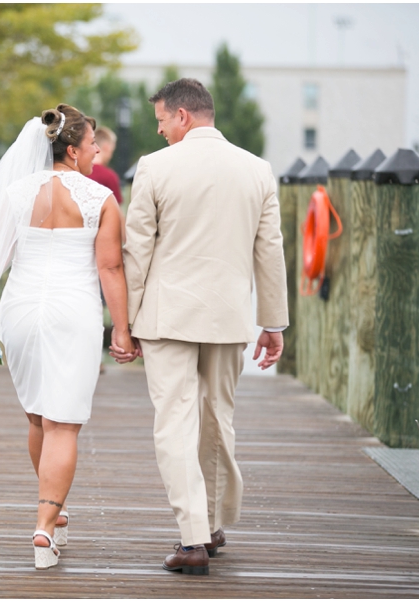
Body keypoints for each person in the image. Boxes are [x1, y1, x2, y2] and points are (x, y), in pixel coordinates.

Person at [0, 104, 139, 570]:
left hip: (19, 313)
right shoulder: (100, 198)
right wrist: (122, 328)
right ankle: (44, 525)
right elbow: (110, 267)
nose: (98, 151)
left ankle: (53, 515)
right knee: (64, 424)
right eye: (92, 144)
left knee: (39, 419)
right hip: (71, 311)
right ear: (73, 150)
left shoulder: (16, 193)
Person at [123, 78, 288, 575]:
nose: (159, 133)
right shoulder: (258, 170)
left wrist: (126, 324)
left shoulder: (154, 168)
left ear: (183, 117)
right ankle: (212, 529)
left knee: (175, 423)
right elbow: (270, 250)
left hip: (166, 315)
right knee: (218, 418)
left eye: (161, 122)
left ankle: (192, 539)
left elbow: (138, 250)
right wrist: (273, 322)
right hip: (229, 315)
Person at [87, 126, 123, 205]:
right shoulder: (109, 176)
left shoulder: (79, 172)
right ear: (106, 147)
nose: (111, 155)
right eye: (112, 150)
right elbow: (117, 209)